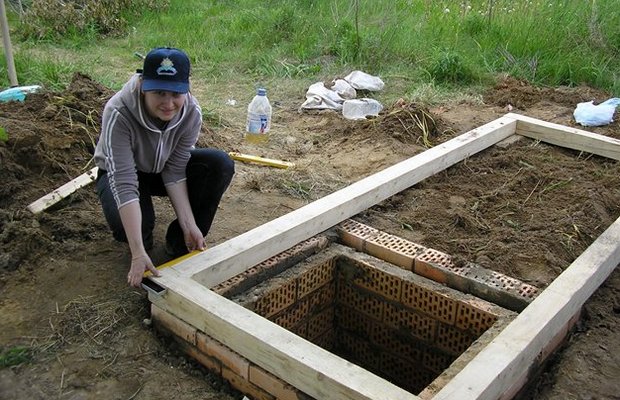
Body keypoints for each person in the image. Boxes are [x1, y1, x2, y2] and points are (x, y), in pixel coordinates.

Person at [94, 47, 234, 288]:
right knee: (132, 227)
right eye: (159, 93)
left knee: (219, 164)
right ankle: (141, 244)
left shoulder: (191, 112)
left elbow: (175, 169)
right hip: (123, 173)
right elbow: (124, 181)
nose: (168, 103)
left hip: (161, 170)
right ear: (143, 86)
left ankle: (181, 241)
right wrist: (137, 251)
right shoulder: (118, 112)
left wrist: (189, 224)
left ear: (186, 89)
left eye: (176, 93)